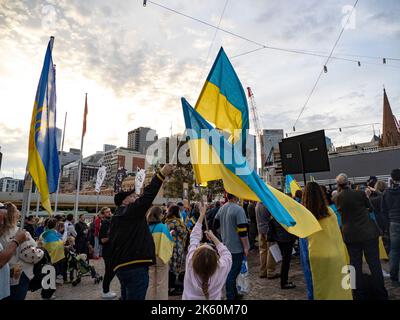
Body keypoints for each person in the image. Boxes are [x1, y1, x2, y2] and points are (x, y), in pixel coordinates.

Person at [108, 164, 174, 300]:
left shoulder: (116, 217)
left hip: (122, 268)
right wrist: (161, 174)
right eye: (132, 196)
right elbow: (148, 196)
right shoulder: (130, 212)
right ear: (124, 200)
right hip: (135, 267)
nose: (136, 198)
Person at [335, 173, 387, 299]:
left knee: (354, 265)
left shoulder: (336, 198)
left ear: (338, 184)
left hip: (351, 235)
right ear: (348, 182)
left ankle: (357, 294)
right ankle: (381, 293)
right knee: (374, 264)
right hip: (368, 232)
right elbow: (370, 208)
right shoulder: (359, 193)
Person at [300, 182, 352, 300]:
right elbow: (337, 234)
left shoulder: (303, 216)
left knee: (315, 286)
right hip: (334, 254)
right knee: (336, 286)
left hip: (315, 256)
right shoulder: (330, 212)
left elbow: (303, 243)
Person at [183, 203, 232, 300]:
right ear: (216, 260)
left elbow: (194, 238)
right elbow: (227, 254)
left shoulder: (190, 263)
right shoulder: (220, 268)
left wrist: (202, 215)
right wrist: (214, 238)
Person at [0, 203, 41, 300]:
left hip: (6, 276)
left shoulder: (2, 232)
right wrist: (41, 252)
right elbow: (31, 255)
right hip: (18, 276)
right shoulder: (19, 232)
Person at [213, 193, 249, 300]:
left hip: (225, 246)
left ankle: (234, 293)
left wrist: (221, 237)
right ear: (235, 196)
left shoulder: (222, 208)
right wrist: (246, 247)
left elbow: (214, 225)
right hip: (236, 247)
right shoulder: (239, 210)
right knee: (233, 273)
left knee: (230, 271)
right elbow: (242, 231)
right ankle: (231, 296)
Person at [0, 203, 28, 300]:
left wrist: (9, 271)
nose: (2, 223)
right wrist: (16, 241)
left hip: (7, 283)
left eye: (3, 219)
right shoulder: (18, 233)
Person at [146, 206, 174, 300]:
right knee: (161, 283)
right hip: (160, 256)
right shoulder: (162, 226)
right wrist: (170, 234)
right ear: (159, 215)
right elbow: (168, 242)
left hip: (149, 257)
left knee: (151, 283)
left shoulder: (146, 227)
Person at [267, 216, 297, 289]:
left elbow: (271, 226)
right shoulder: (284, 215)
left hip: (280, 239)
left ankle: (284, 281)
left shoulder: (275, 215)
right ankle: (284, 282)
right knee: (286, 261)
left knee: (285, 260)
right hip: (286, 239)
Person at [382, 169, 400, 286]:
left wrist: (386, 226)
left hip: (393, 223)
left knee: (394, 251)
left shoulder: (386, 193)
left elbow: (383, 211)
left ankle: (394, 278)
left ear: (391, 178)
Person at [165, 204, 188, 296]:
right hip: (176, 247)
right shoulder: (176, 222)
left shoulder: (167, 221)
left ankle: (169, 287)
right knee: (174, 267)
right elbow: (183, 233)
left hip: (169, 246)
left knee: (170, 267)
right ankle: (172, 288)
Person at [255, 202, 279, 279]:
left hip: (260, 230)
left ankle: (263, 271)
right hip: (268, 231)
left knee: (262, 251)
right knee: (271, 251)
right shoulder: (268, 204)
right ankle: (270, 272)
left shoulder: (257, 205)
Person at [98, 207, 116, 299]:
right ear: (103, 214)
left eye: (110, 211)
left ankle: (106, 290)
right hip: (108, 252)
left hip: (112, 251)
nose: (109, 213)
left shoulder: (110, 222)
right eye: (107, 212)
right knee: (110, 272)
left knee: (112, 271)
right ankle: (105, 291)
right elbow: (102, 240)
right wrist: (113, 236)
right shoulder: (105, 224)